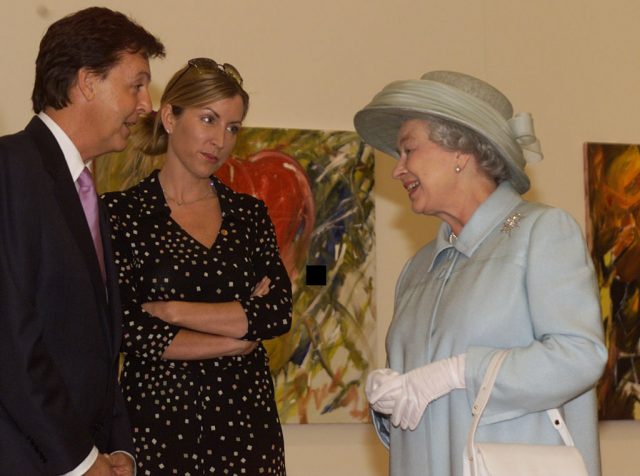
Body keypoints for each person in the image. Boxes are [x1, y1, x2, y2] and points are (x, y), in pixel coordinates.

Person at [353, 71, 608, 476]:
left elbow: (579, 356)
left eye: (408, 150)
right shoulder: (418, 268)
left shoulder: (541, 233)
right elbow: (426, 404)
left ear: (461, 151)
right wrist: (391, 404)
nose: (397, 170)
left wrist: (460, 372)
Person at [101, 58, 292, 475]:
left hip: (248, 427)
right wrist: (236, 337)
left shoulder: (249, 214)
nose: (220, 140)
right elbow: (129, 328)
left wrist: (172, 311)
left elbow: (277, 312)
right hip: (156, 427)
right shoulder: (121, 214)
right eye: (208, 119)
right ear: (169, 116)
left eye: (233, 127)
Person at [0, 6, 165, 476]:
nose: (147, 105)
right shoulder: (11, 170)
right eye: (136, 84)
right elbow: (12, 341)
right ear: (87, 81)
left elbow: (98, 351)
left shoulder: (87, 192)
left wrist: (122, 451)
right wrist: (82, 460)